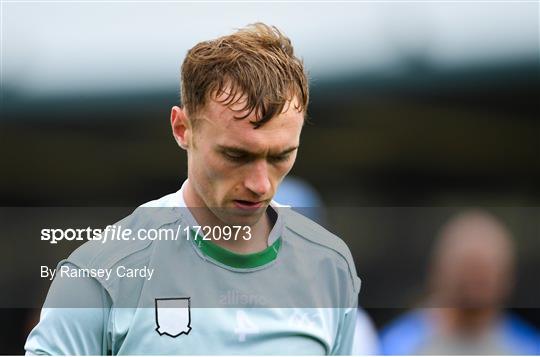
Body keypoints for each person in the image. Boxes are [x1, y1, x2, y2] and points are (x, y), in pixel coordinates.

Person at [25, 23, 361, 355]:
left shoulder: (330, 267)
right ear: (182, 129)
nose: (260, 184)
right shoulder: (100, 274)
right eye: (235, 154)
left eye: (281, 155)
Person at [380, 210, 539, 355]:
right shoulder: (395, 346)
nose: (476, 280)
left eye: (486, 270)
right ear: (437, 271)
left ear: (508, 277)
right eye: (467, 267)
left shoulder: (528, 349)